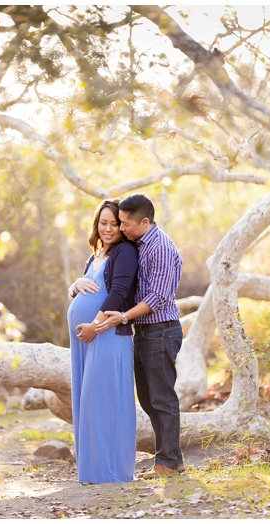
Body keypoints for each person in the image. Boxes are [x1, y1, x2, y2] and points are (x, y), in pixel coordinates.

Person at [95, 193, 185, 478]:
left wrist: (122, 317)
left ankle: (167, 463)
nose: (120, 228)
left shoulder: (159, 247)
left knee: (163, 399)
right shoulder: (139, 243)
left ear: (144, 222)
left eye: (124, 224)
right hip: (145, 331)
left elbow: (157, 298)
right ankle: (172, 459)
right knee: (148, 400)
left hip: (161, 331)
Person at [67, 199, 138, 484]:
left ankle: (112, 472)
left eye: (113, 223)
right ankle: (92, 471)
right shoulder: (95, 255)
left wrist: (94, 327)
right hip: (85, 340)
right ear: (97, 224)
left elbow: (119, 293)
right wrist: (74, 285)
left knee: (105, 402)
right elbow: (79, 291)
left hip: (106, 335)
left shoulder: (125, 252)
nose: (108, 229)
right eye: (103, 223)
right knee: (86, 403)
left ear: (122, 227)